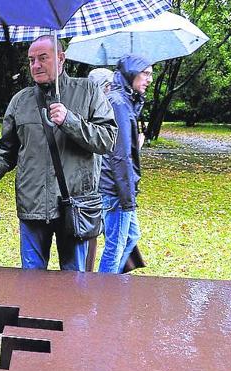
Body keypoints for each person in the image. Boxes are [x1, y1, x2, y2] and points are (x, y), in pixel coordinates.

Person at [0, 35, 117, 271]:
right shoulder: (20, 102)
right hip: (33, 207)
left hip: (75, 207)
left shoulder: (88, 91)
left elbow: (107, 140)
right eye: (31, 60)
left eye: (43, 58)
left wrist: (69, 120)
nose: (36, 65)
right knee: (31, 286)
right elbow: (6, 151)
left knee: (74, 287)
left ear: (61, 58)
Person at [98, 55, 153, 273]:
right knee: (115, 247)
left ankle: (111, 286)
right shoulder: (119, 102)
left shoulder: (125, 101)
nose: (149, 79)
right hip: (115, 189)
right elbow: (119, 156)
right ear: (131, 73)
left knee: (131, 236)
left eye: (151, 74)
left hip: (119, 187)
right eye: (146, 73)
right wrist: (127, 198)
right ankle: (103, 295)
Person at [85, 67, 114, 272]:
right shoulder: (93, 110)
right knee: (91, 236)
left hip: (100, 184)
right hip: (98, 186)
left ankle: (90, 276)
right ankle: (92, 279)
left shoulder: (105, 112)